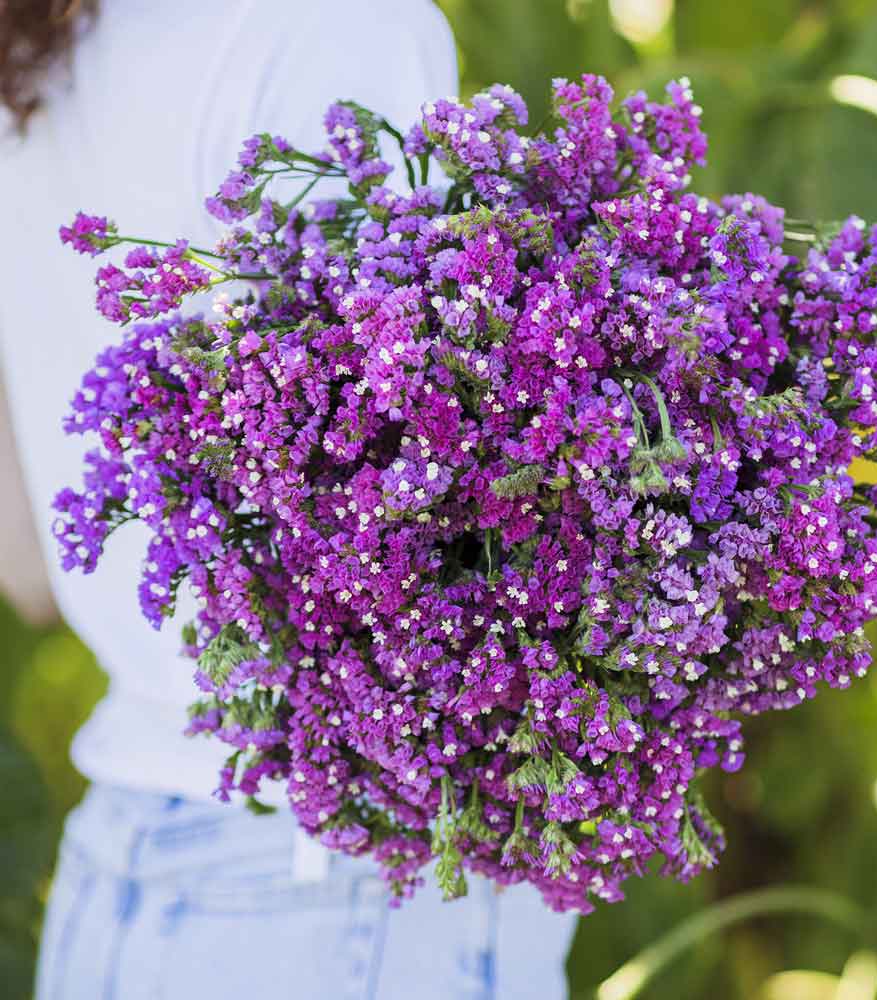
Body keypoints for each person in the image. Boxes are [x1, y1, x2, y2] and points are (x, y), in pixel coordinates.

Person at [0, 2, 577, 996]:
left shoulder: (41, 44)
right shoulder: (334, 26)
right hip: (333, 895)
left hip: (119, 880)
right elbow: (408, 527)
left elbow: (31, 569)